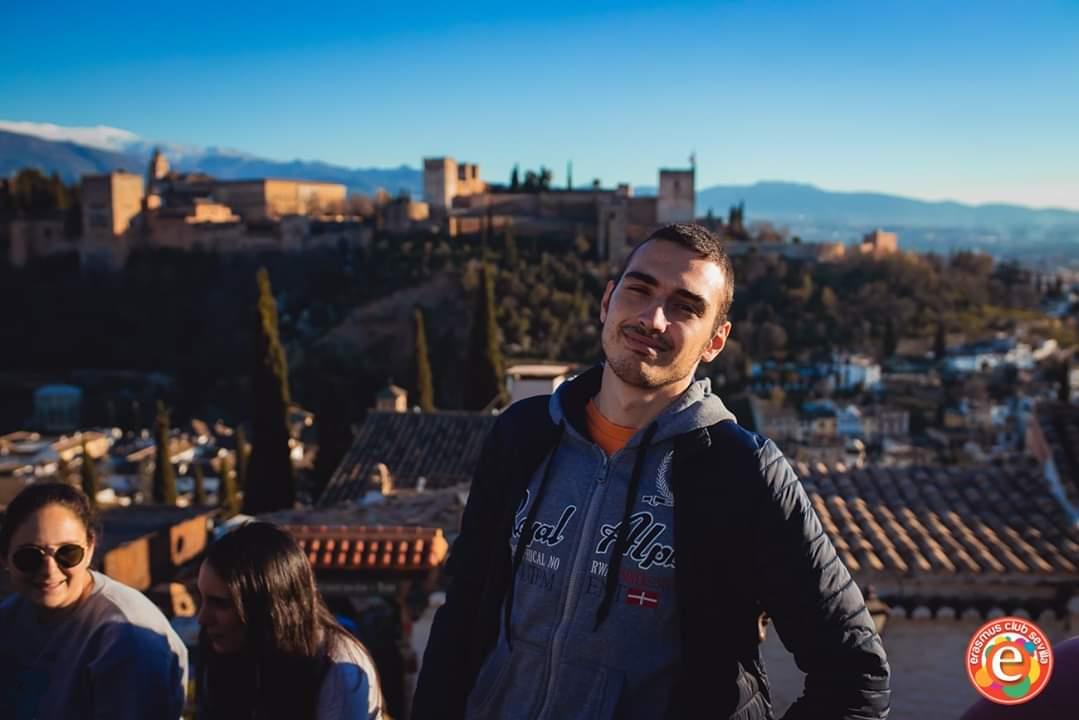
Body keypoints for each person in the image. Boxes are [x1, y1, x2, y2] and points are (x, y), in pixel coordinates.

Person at [413, 223, 891, 720]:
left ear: (715, 341)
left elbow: (856, 676)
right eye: (639, 290)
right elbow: (463, 611)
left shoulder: (742, 473)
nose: (653, 318)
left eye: (685, 307)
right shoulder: (523, 433)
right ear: (607, 302)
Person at [0, 482, 188, 719]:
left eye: (68, 553)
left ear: (89, 549)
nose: (49, 570)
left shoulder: (128, 640)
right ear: (4, 558)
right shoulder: (10, 618)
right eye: (29, 556)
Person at [196, 521, 385, 720]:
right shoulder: (221, 654)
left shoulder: (338, 672)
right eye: (202, 599)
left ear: (265, 607)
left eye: (221, 604)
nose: (202, 618)